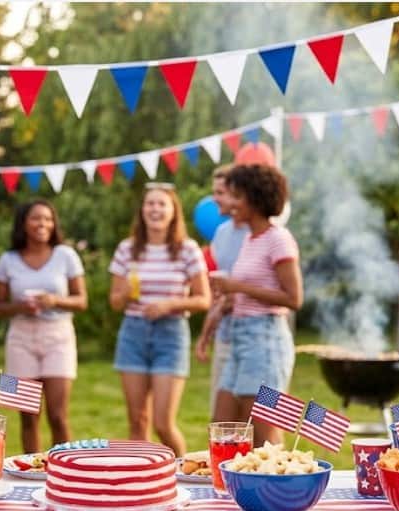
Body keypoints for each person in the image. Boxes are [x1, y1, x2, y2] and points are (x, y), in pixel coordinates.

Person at [109, 183, 210, 456]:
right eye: (150, 204)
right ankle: (140, 486)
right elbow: (115, 302)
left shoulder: (187, 250)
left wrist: (170, 304)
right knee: (138, 422)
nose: (155, 209)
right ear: (142, 211)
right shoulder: (127, 249)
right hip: (133, 333)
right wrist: (126, 294)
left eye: (161, 204)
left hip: (171, 333)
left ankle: (183, 475)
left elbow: (203, 299)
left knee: (163, 424)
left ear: (172, 211)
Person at [209, 163, 302, 445]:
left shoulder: (278, 239)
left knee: (265, 436)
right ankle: (228, 489)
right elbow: (252, 292)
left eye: (238, 197)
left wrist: (237, 287)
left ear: (256, 199)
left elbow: (294, 299)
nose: (232, 203)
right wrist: (226, 301)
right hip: (240, 339)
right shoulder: (251, 239)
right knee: (224, 431)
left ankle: (281, 486)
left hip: (267, 342)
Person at [0, 199, 87, 454]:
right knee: (28, 415)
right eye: (36, 218)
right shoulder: (7, 260)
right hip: (20, 338)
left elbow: (82, 301)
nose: (42, 224)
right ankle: (31, 471)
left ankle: (64, 470)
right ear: (24, 223)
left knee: (58, 415)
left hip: (58, 336)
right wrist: (21, 307)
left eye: (47, 219)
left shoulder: (66, 255)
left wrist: (54, 300)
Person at [194, 165, 247, 418]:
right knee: (223, 424)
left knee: (259, 424)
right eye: (214, 191)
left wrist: (234, 296)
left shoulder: (258, 232)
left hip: (258, 341)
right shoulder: (222, 234)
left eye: (221, 192)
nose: (215, 198)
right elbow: (219, 291)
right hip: (226, 338)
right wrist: (207, 334)